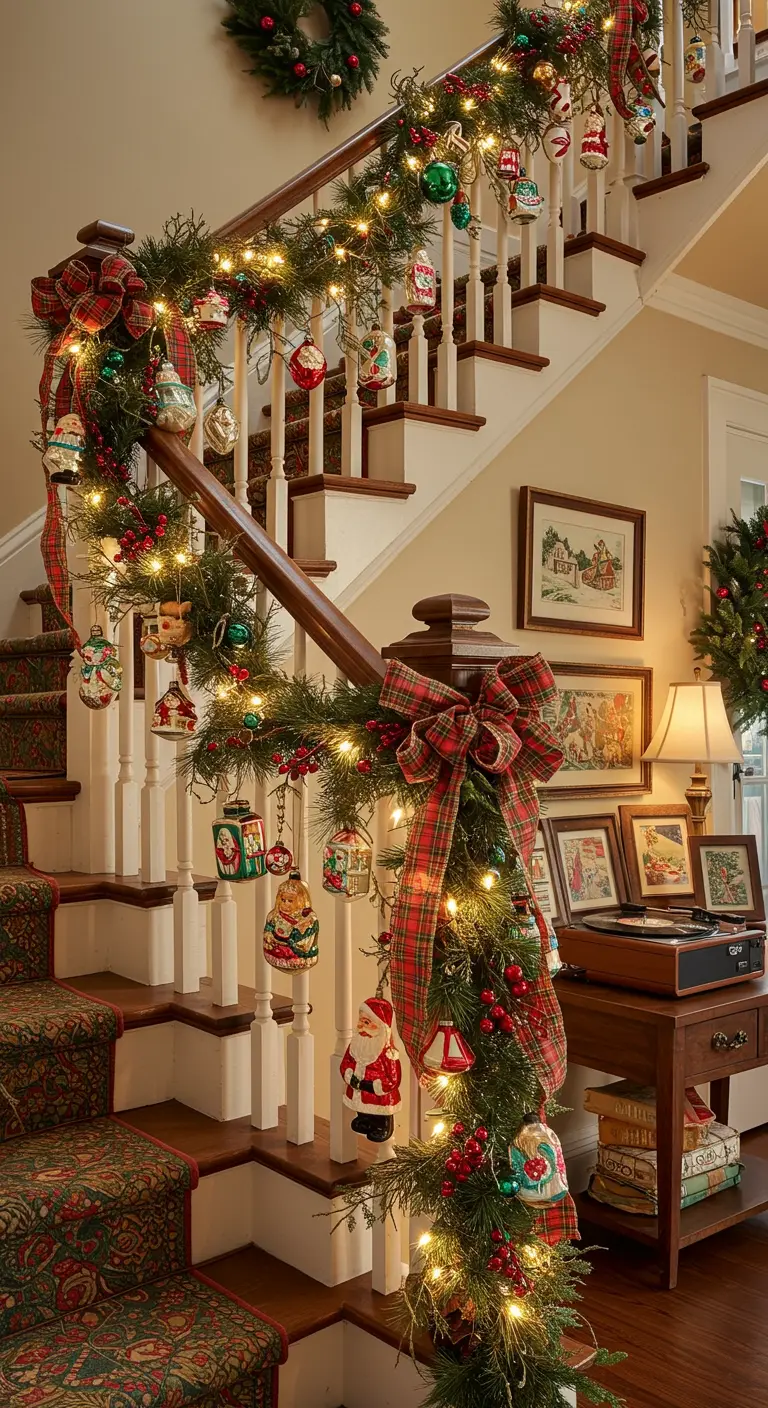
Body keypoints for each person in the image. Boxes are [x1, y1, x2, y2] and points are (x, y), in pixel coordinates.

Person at [340, 996, 402, 1142]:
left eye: (367, 1022)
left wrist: (369, 1085)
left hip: (379, 1097)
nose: (361, 1026)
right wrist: (349, 1074)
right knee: (362, 1108)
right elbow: (345, 1063)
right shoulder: (355, 1045)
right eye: (360, 1020)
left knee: (380, 1113)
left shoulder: (388, 1054)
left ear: (380, 1027)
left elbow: (392, 1079)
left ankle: (382, 1126)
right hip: (358, 1089)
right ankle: (364, 1120)